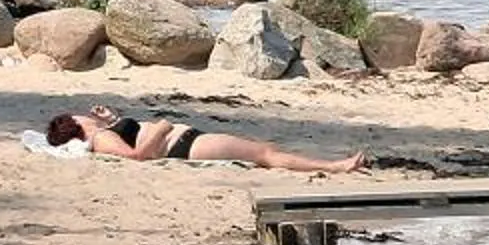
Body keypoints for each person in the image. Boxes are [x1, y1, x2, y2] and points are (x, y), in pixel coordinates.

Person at [46, 106, 365, 174]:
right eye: (81, 117)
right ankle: (335, 166)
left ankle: (333, 165)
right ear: (75, 124)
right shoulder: (99, 140)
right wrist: (160, 129)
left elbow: (128, 139)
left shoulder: (104, 132)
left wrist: (114, 120)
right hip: (185, 146)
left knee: (265, 152)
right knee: (265, 154)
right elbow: (136, 156)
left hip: (187, 141)